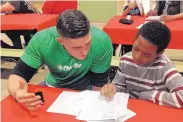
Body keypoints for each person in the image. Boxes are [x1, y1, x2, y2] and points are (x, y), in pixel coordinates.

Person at [8, 10, 113, 111]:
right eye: (76, 48)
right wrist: (17, 93)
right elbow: (19, 74)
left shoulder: (101, 41)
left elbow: (98, 84)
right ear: (60, 41)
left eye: (88, 43)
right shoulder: (42, 40)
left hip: (86, 88)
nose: (84, 51)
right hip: (54, 85)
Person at [100, 21, 183, 108]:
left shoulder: (165, 67)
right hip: (130, 109)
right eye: (135, 48)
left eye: (146, 54)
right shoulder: (126, 60)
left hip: (152, 111)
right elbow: (120, 87)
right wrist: (113, 89)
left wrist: (147, 95)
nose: (137, 56)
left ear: (159, 53)